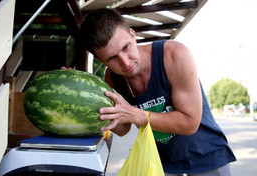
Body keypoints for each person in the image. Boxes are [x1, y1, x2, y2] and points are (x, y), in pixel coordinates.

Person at [79, 8, 236, 176]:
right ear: (100, 60)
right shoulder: (112, 76)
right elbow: (123, 128)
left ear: (133, 34)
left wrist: (137, 115)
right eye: (112, 58)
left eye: (126, 47)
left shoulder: (175, 55)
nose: (125, 62)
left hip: (206, 155)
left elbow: (190, 123)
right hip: (161, 160)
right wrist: (82, 95)